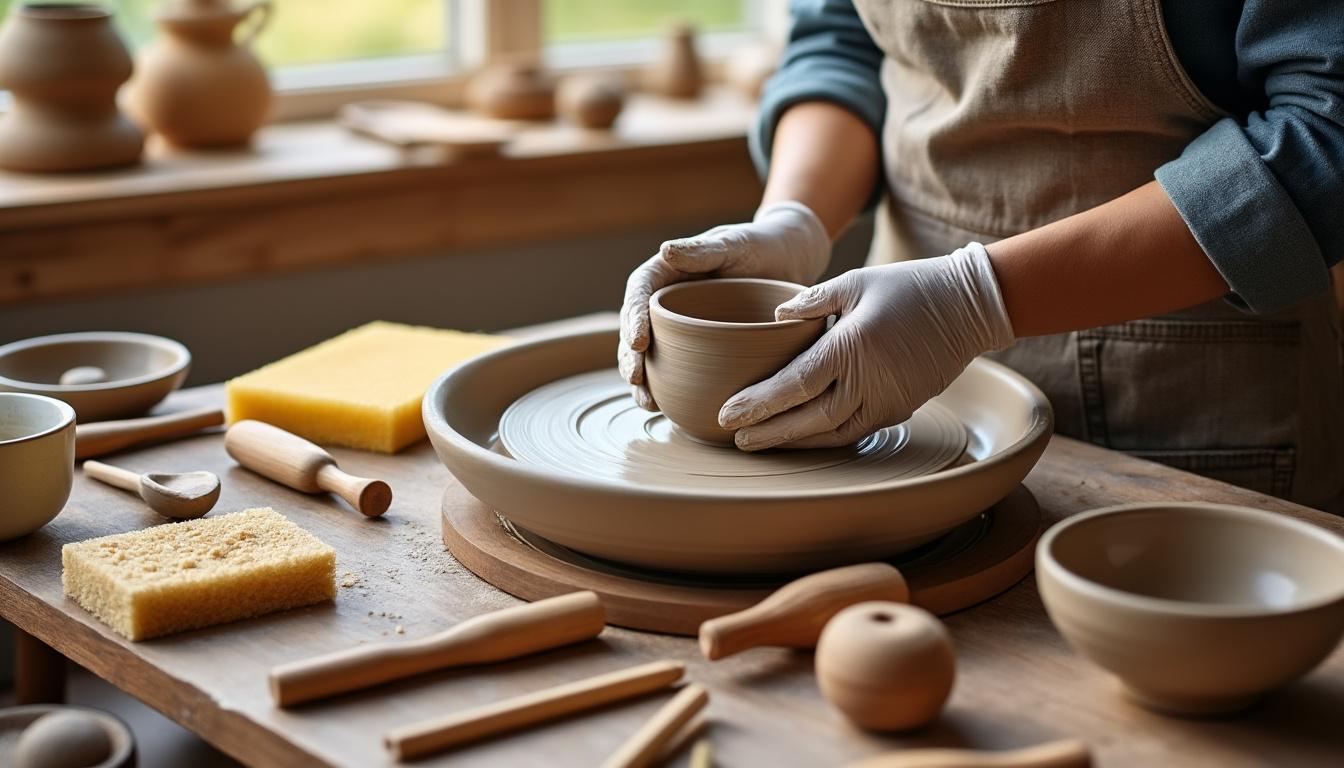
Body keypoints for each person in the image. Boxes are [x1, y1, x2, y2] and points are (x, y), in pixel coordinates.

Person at [618, 0, 1344, 511]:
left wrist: (969, 301)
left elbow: (1324, 135)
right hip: (882, 383)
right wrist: (795, 220)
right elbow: (841, 40)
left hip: (1180, 410)